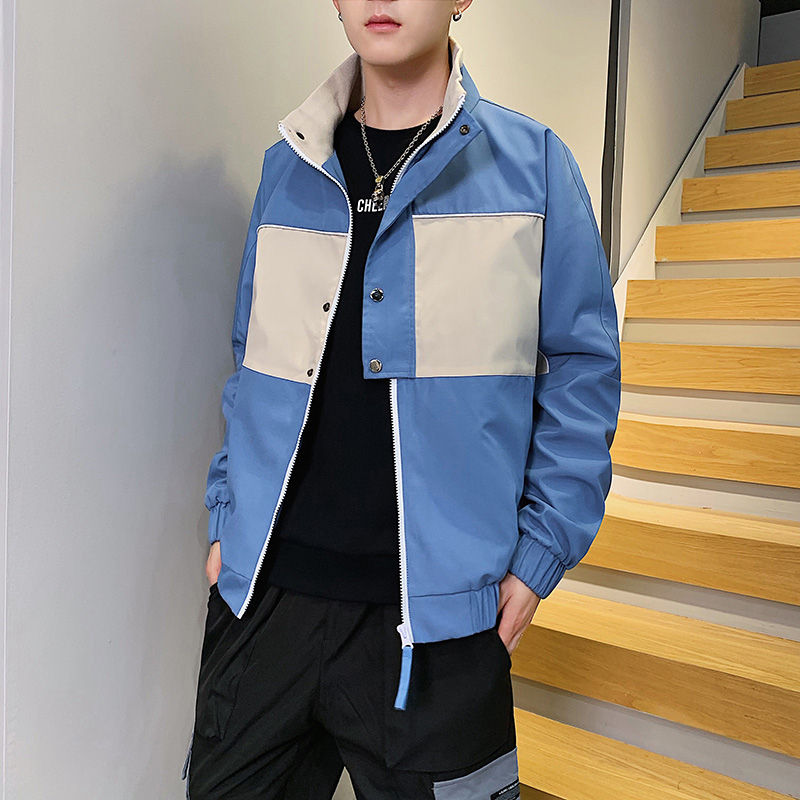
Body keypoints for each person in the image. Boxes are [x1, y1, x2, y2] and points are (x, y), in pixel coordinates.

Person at [182, 1, 621, 798]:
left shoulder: (535, 168)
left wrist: (539, 556)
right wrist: (226, 518)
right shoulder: (289, 167)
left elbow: (582, 373)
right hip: (265, 604)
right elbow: (253, 361)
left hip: (441, 632)